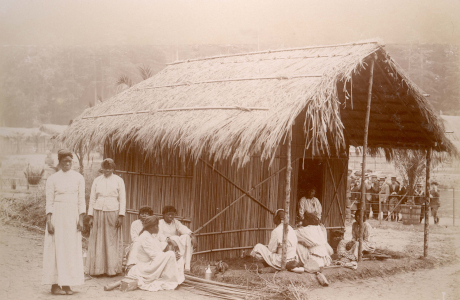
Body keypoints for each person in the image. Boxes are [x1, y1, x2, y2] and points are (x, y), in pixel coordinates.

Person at [43, 149, 86, 295]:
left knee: (70, 249)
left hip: (72, 217)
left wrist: (80, 219)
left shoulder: (79, 178)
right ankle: (55, 285)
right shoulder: (53, 179)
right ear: (59, 162)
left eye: (70, 161)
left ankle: (67, 284)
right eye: (64, 161)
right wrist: (49, 221)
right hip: (57, 216)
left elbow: (81, 200)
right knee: (56, 249)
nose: (67, 164)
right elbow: (49, 201)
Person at [86, 158, 126, 276]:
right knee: (98, 239)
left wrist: (121, 215)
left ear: (113, 169)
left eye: (109, 169)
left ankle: (111, 269)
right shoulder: (97, 180)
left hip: (113, 211)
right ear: (101, 169)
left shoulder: (119, 180)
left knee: (111, 240)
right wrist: (91, 216)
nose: (106, 171)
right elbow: (92, 198)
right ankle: (98, 269)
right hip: (98, 211)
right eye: (105, 169)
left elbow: (122, 199)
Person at [127, 216, 185, 292]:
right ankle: (170, 279)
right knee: (171, 254)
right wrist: (171, 255)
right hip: (141, 268)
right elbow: (155, 255)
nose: (158, 227)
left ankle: (176, 279)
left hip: (147, 264)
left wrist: (173, 254)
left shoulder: (150, 236)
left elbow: (157, 249)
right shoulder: (145, 237)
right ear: (151, 227)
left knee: (176, 256)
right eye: (156, 226)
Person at [159, 206, 196, 272]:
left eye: (172, 214)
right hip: (164, 243)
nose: (170, 216)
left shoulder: (175, 222)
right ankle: (177, 264)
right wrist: (169, 240)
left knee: (187, 237)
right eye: (168, 214)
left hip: (176, 243)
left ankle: (187, 266)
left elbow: (183, 228)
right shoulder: (160, 223)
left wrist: (192, 235)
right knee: (175, 237)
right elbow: (160, 235)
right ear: (164, 214)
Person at [124, 206, 154, 273]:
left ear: (150, 216)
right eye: (142, 213)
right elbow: (134, 237)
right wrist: (142, 243)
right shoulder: (135, 223)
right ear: (139, 215)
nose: (144, 215)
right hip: (137, 243)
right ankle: (130, 266)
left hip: (149, 244)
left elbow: (154, 237)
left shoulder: (153, 224)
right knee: (136, 245)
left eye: (147, 214)